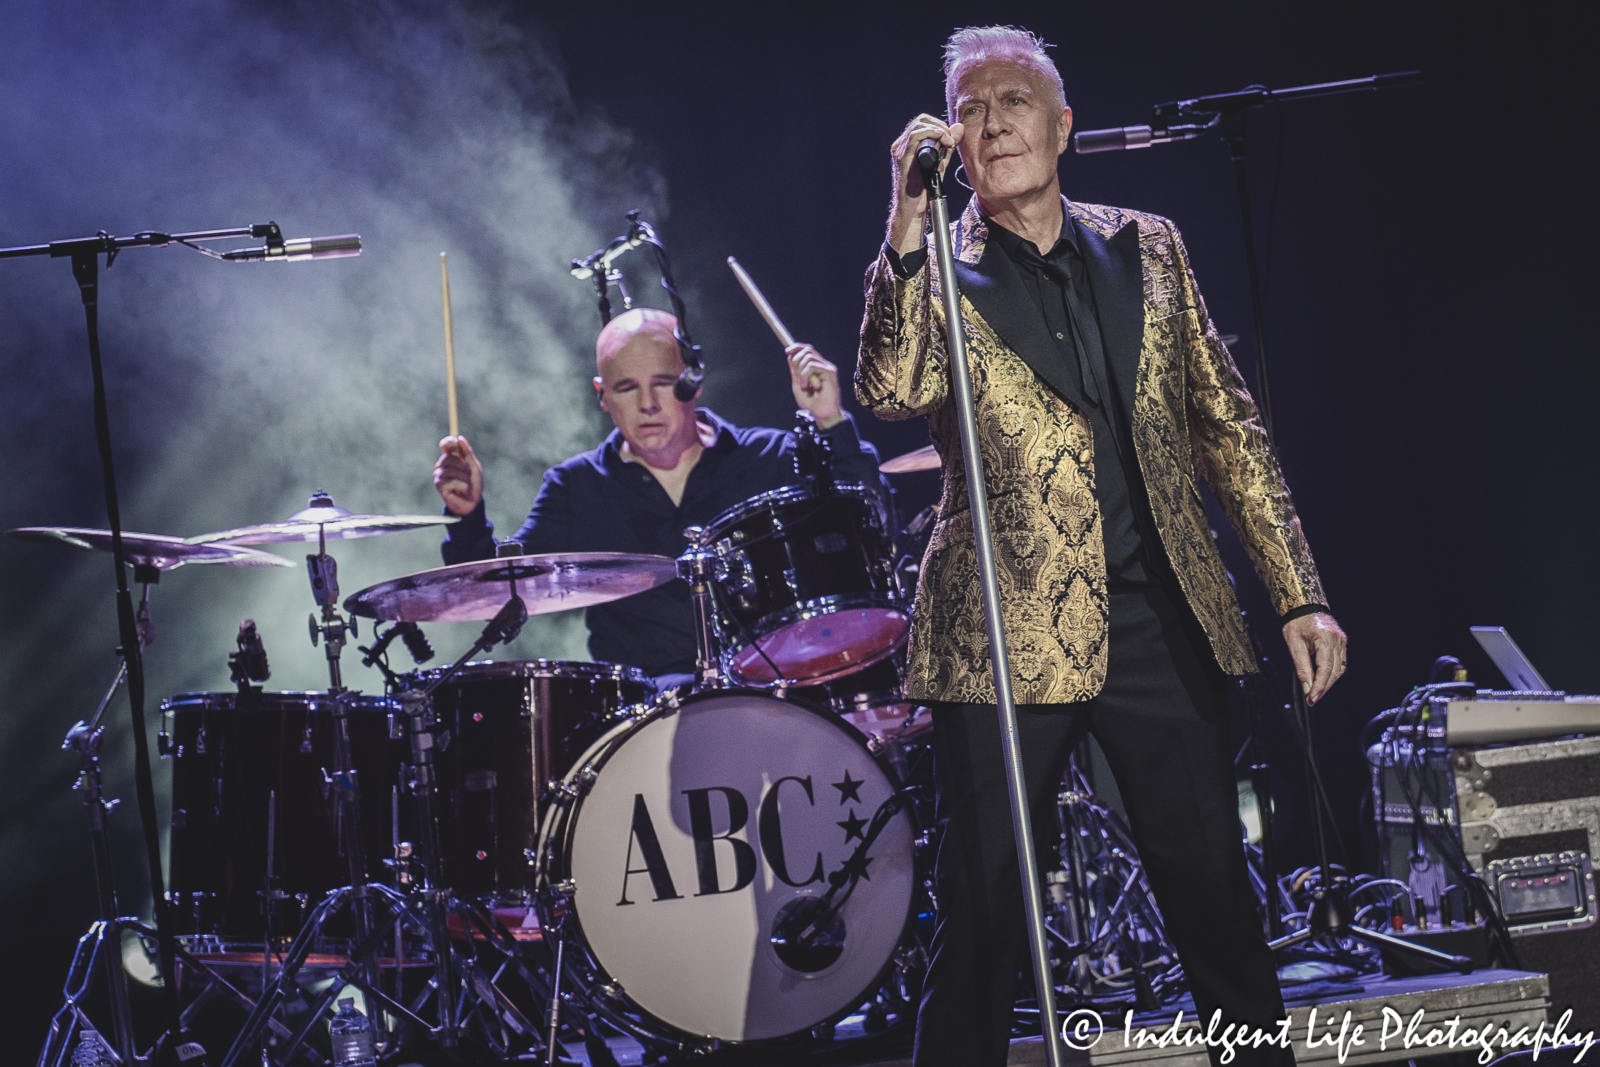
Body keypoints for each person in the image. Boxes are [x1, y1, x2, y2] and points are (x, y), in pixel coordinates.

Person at [855, 25, 1348, 1067]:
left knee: (1215, 899)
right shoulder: (940, 269)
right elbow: (889, 390)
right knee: (985, 919)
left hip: (1161, 619)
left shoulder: (1150, 246)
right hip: (1000, 638)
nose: (991, 124)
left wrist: (1298, 594)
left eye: (1012, 102)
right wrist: (906, 217)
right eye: (969, 108)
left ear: (1062, 125)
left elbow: (1229, 427)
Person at [434, 306, 891, 689]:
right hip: (644, 716)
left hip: (777, 691)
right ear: (603, 396)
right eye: (626, 388)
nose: (647, 404)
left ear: (694, 381)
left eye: (663, 382)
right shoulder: (576, 487)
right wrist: (467, 515)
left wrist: (831, 422)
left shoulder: (771, 456)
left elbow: (875, 524)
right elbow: (501, 594)